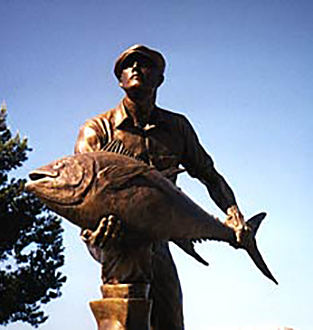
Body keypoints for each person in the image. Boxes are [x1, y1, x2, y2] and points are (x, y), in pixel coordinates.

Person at [74, 45, 246, 330]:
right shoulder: (97, 129)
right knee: (125, 317)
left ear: (160, 79)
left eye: (146, 64)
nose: (136, 68)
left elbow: (209, 175)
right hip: (112, 236)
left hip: (158, 240)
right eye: (128, 65)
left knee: (171, 321)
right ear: (119, 80)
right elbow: (82, 187)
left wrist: (233, 212)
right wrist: (94, 231)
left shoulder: (177, 128)